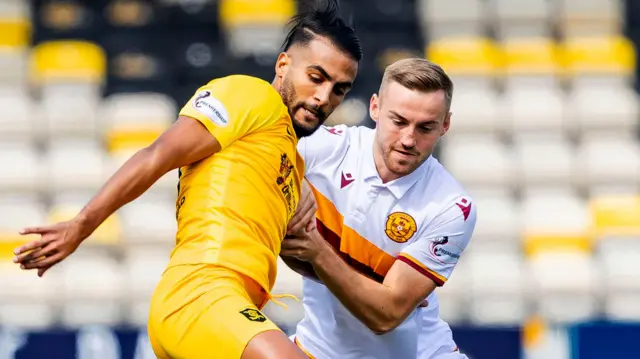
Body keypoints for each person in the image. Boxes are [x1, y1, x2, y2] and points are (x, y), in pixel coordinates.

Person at [11, 2, 361, 358]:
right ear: (283, 64)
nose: (323, 97)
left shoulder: (286, 158)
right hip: (202, 294)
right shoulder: (251, 96)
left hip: (229, 308)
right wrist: (79, 227)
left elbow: (292, 251)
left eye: (339, 89)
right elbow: (156, 155)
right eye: (316, 78)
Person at [281, 58, 476, 359]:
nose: (409, 139)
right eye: (398, 121)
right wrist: (292, 183)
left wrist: (317, 251)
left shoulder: (452, 206)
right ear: (375, 108)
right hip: (317, 350)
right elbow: (251, 158)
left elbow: (386, 315)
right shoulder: (322, 150)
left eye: (426, 127)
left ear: (445, 125)